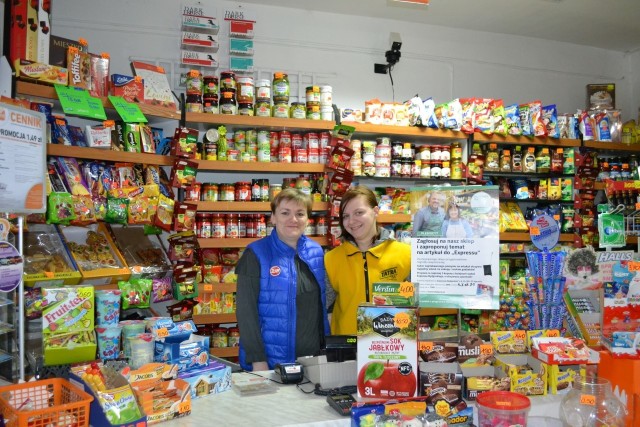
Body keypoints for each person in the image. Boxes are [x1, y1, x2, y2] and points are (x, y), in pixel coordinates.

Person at [236, 188, 330, 371]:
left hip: (313, 360)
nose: (293, 219)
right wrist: (258, 360)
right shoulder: (256, 253)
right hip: (271, 362)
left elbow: (321, 307)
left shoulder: (316, 252)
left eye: (300, 214)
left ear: (308, 219)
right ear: (273, 217)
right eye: (285, 213)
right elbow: (246, 313)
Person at [325, 186, 411, 335]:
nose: (351, 221)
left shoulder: (405, 254)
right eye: (345, 216)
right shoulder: (331, 259)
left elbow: (418, 303)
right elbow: (320, 306)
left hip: (392, 346)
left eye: (359, 212)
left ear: (376, 211)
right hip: (347, 347)